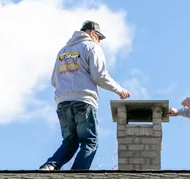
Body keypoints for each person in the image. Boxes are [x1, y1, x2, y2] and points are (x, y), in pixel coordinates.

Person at [39, 20, 130, 171]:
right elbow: (99, 76)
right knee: (90, 141)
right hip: (83, 100)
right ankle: (77, 175)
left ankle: (50, 165)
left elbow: (54, 80)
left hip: (62, 102)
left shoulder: (63, 51)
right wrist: (119, 90)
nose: (100, 41)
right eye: (99, 37)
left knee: (70, 142)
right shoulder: (91, 47)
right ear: (92, 33)